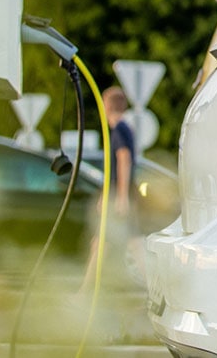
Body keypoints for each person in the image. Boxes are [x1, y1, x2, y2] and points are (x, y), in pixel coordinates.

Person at [79, 85, 136, 293]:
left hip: (117, 195)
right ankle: (87, 292)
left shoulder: (119, 128)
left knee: (106, 242)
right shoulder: (126, 128)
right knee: (107, 243)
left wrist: (120, 197)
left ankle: (85, 293)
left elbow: (123, 159)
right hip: (116, 193)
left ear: (108, 106)